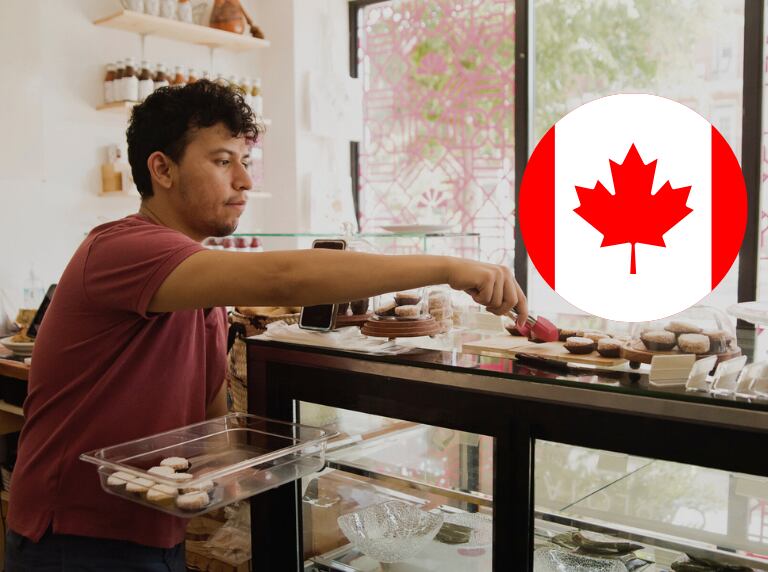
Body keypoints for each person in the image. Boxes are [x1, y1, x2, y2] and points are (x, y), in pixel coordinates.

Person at [5, 80, 527, 571]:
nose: (246, 180)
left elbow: (207, 429)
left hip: (155, 529)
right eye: (223, 161)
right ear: (161, 170)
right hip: (75, 537)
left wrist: (288, 468)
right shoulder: (121, 248)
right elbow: (284, 278)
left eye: (246, 161)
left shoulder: (203, 290)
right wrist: (449, 267)